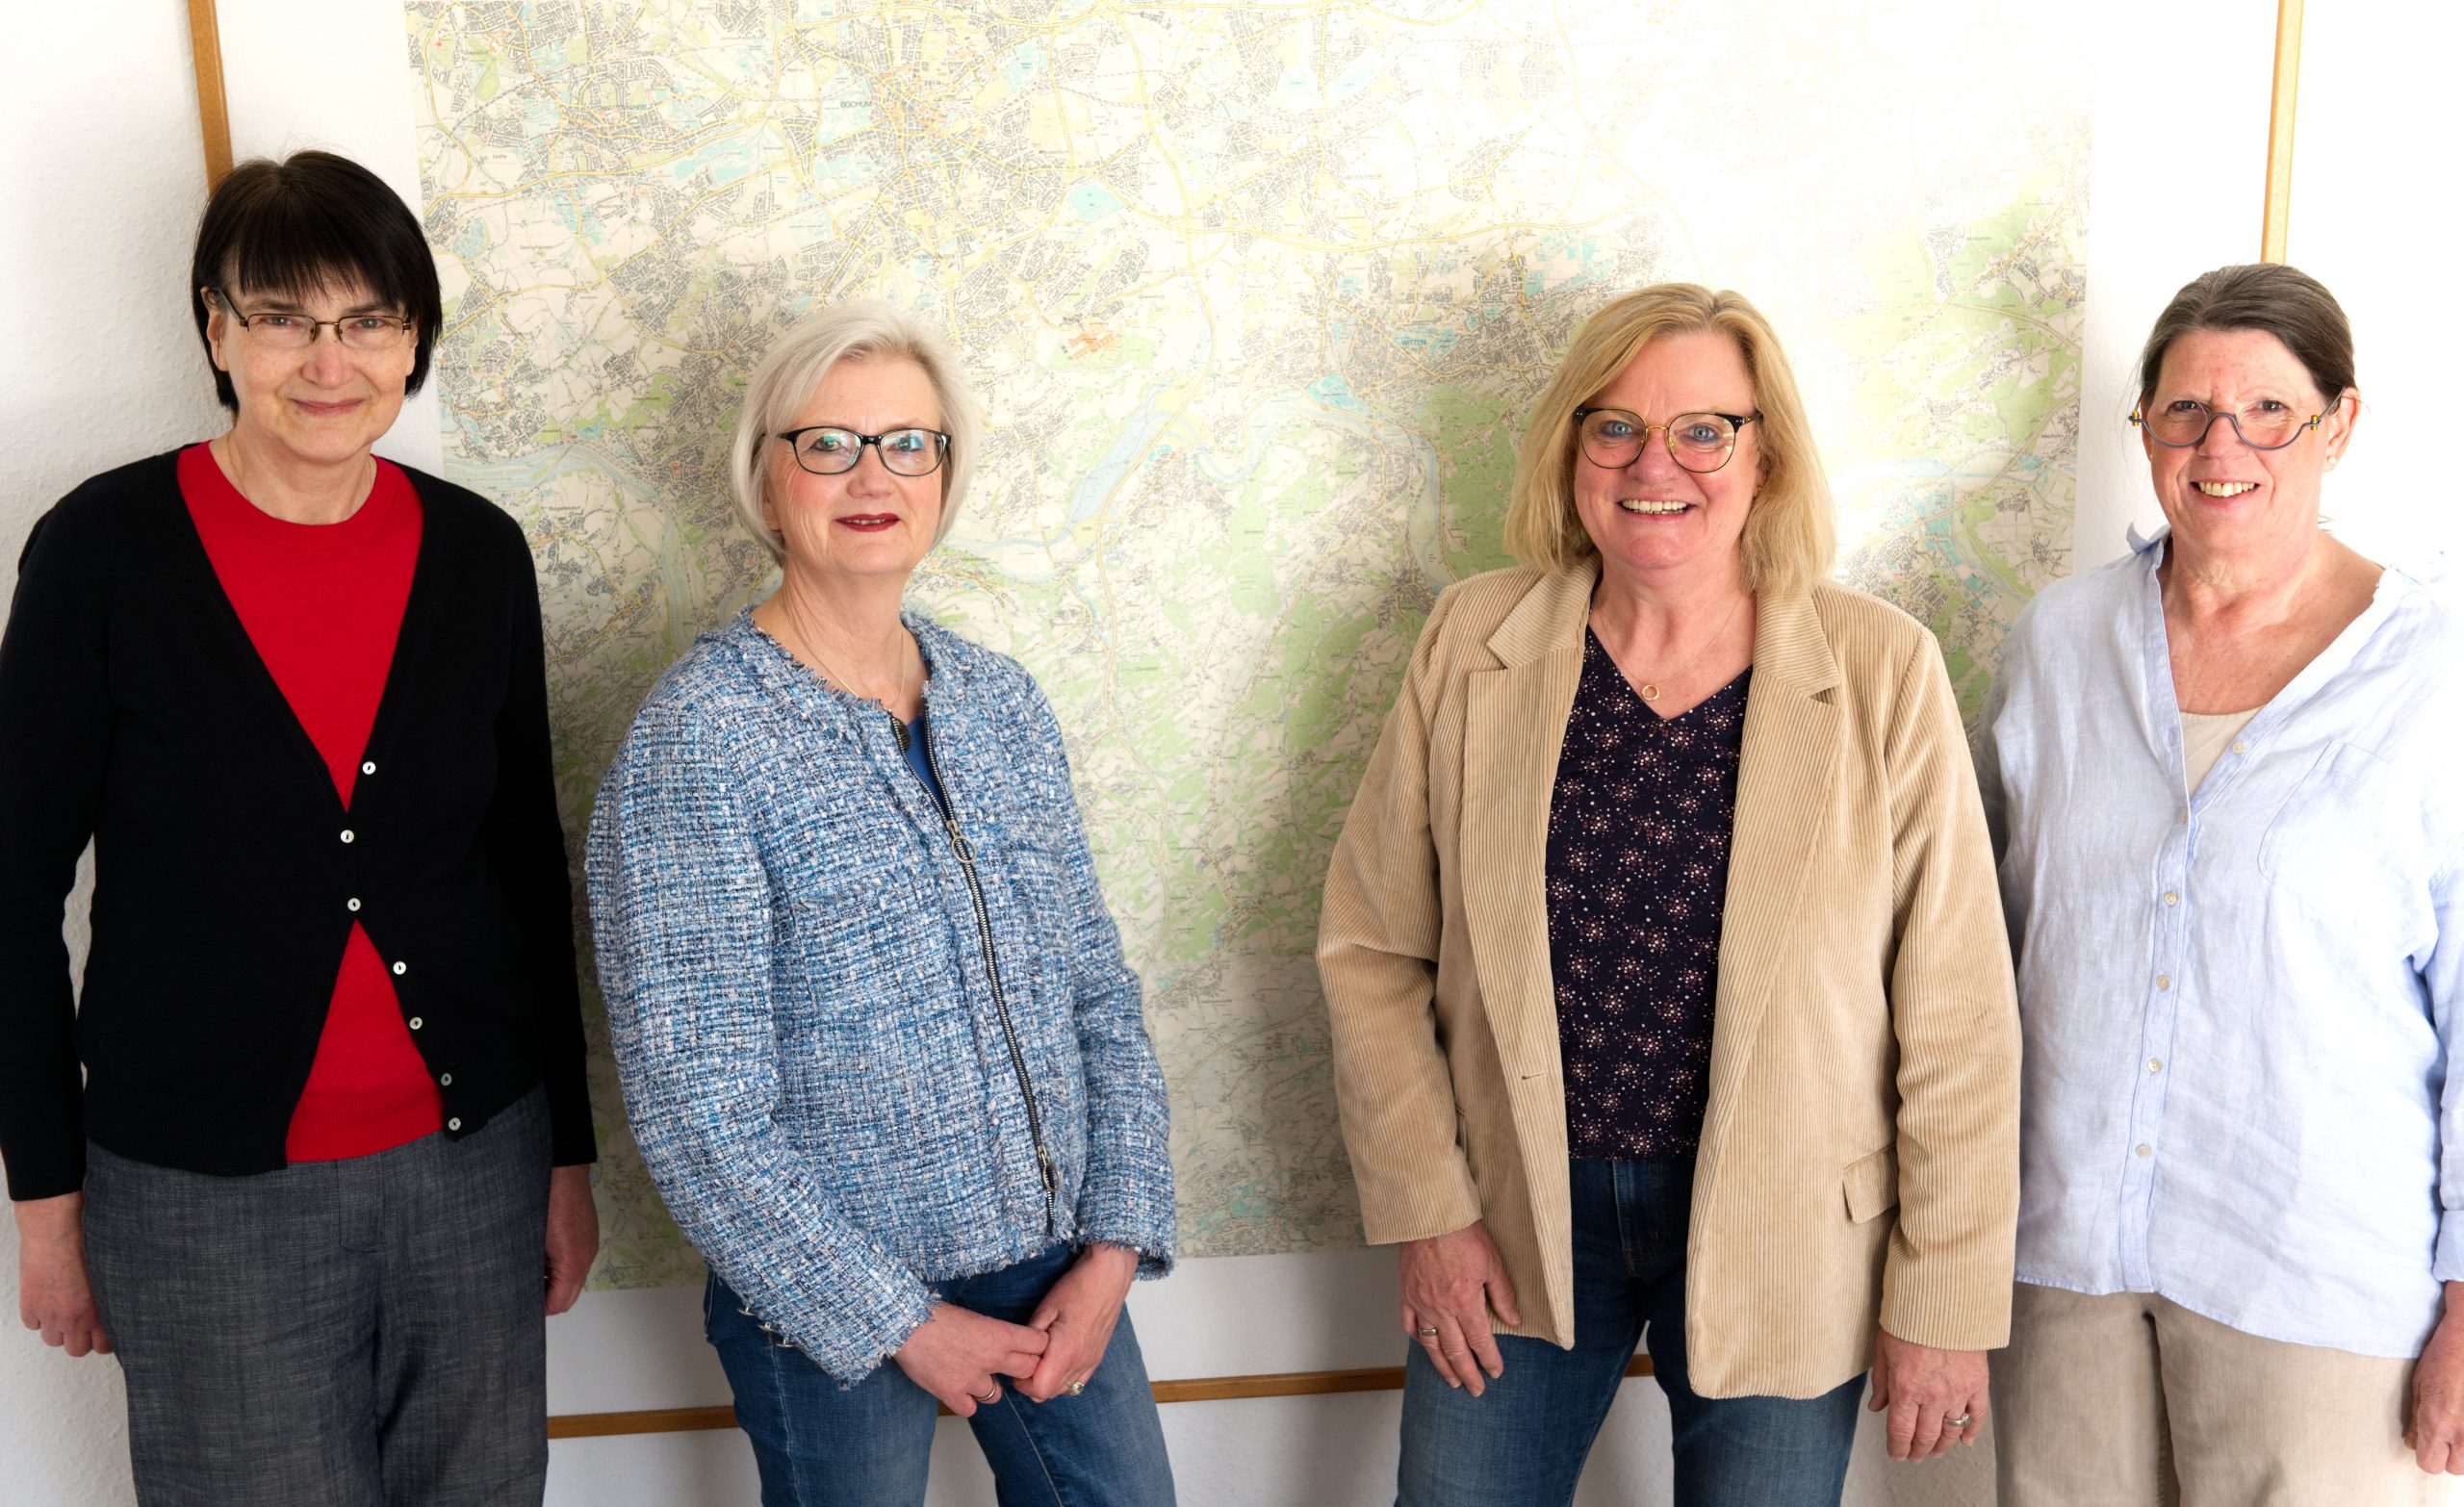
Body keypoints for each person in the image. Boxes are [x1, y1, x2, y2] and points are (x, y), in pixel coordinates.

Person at [1317, 282, 2021, 1506]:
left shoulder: (1879, 669)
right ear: (1571, 450)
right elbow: (1373, 950)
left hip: (1788, 1226)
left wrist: (1943, 1303)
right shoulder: (1470, 641)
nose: (1657, 465)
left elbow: (1957, 1015)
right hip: (1516, 1217)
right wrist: (1427, 1212)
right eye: (1616, 427)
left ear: (1765, 456)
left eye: (1704, 429)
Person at [0, 150, 599, 1504]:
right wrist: (46, 1207)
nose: (330, 361)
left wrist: (564, 1160)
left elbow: (525, 871)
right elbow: (13, 893)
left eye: (369, 319)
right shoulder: (101, 553)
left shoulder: (477, 555)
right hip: (204, 1199)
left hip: (473, 1167)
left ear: (414, 340)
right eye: (284, 318)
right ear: (218, 332)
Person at [587, 300, 1177, 1507]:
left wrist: (1115, 1246)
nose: (873, 477)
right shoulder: (698, 739)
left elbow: (1096, 997)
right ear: (768, 479)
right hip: (824, 1300)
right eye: (829, 444)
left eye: (908, 443)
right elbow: (699, 1112)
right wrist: (897, 1320)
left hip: (1060, 1268)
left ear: (944, 474)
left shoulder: (1000, 704)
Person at [1982, 262, 2464, 1503]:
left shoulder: (2435, 680)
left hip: (2314, 1283)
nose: (2220, 446)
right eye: (2184, 411)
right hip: (2063, 1262)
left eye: (2267, 412)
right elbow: (1981, 955)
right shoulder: (2057, 644)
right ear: (2144, 427)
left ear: (2338, 424)